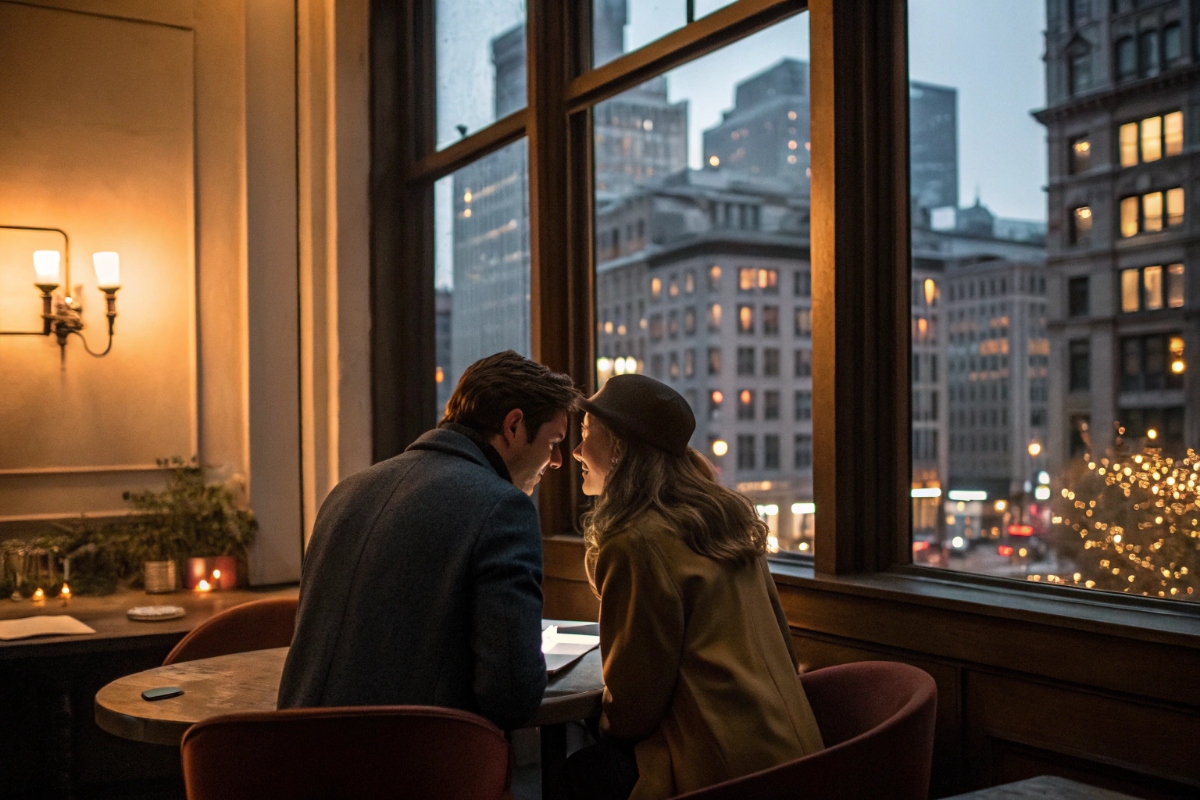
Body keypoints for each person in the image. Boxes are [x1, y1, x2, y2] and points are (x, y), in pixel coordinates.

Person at [278, 351, 580, 731]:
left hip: (294, 758)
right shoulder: (502, 509)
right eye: (553, 441)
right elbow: (511, 694)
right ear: (514, 425)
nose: (555, 461)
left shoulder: (346, 493)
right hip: (417, 763)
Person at [566, 373, 825, 800]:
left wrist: (602, 724)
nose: (576, 450)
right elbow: (781, 637)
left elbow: (633, 704)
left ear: (619, 447)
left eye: (587, 433)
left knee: (580, 772)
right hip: (793, 754)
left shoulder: (636, 542)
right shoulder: (727, 519)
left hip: (715, 765)